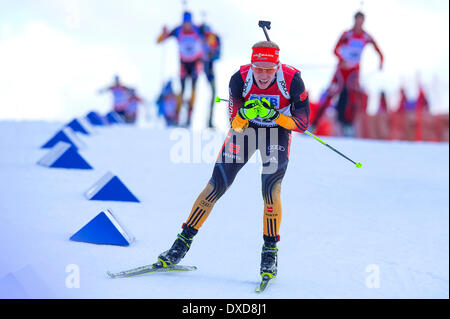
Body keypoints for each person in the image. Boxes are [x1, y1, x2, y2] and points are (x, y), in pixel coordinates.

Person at [153, 41, 310, 280]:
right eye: (259, 68)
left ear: (277, 66)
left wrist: (275, 115)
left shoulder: (291, 79)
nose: (264, 75)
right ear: (252, 64)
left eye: (269, 69)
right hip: (246, 132)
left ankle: (269, 251)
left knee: (270, 189)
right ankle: (181, 244)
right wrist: (245, 113)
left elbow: (301, 123)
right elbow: (234, 123)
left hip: (276, 133)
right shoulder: (240, 78)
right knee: (215, 186)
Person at [311, 11, 383, 135]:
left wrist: (381, 60)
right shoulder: (347, 34)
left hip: (354, 71)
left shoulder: (366, 36)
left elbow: (377, 49)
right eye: (357, 20)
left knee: (352, 97)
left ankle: (348, 126)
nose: (359, 23)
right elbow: (335, 49)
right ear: (354, 20)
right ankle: (313, 125)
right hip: (341, 70)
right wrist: (342, 60)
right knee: (330, 95)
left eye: (361, 21)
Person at [157, 11, 204, 127]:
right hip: (183, 64)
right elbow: (161, 40)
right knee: (182, 90)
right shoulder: (178, 30)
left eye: (188, 22)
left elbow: (209, 37)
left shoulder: (198, 29)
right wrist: (163, 33)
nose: (186, 25)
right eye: (185, 23)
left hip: (195, 63)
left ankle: (189, 116)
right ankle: (177, 116)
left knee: (193, 89)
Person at [200, 23, 221, 128]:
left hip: (208, 68)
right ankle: (208, 121)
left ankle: (209, 121)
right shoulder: (201, 35)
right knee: (211, 93)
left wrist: (212, 54)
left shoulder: (212, 37)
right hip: (202, 67)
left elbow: (217, 54)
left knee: (212, 93)